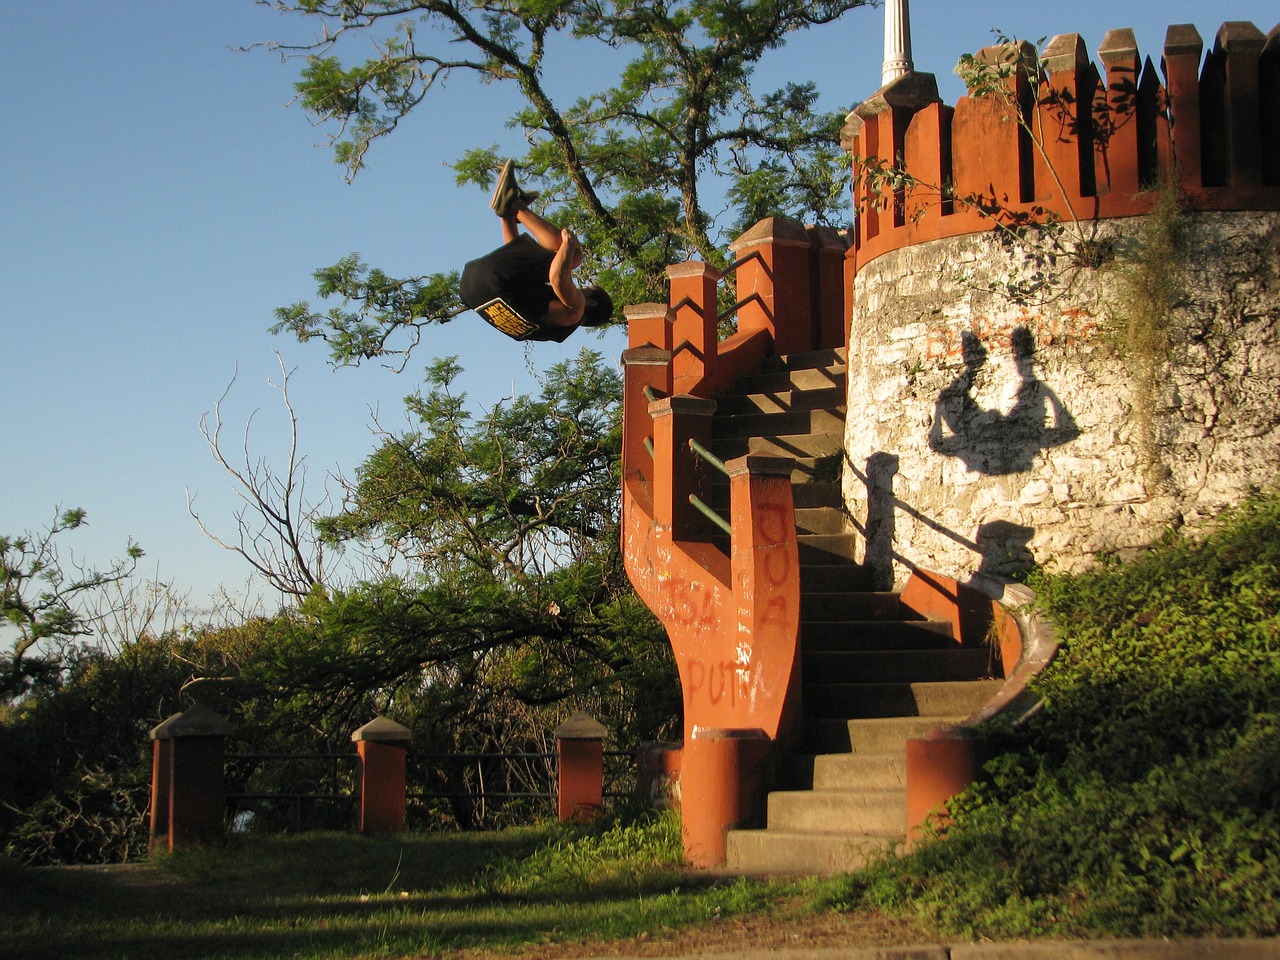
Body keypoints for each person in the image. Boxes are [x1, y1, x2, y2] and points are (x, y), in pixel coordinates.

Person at [459, 160, 614, 342]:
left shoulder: (575, 309)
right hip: (473, 288)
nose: (582, 287)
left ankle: (513, 204)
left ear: (592, 302)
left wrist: (568, 244)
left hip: (494, 281)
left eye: (588, 288)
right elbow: (515, 258)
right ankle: (508, 210)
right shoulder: (550, 325)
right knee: (534, 270)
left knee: (574, 256)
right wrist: (506, 220)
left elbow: (557, 277)